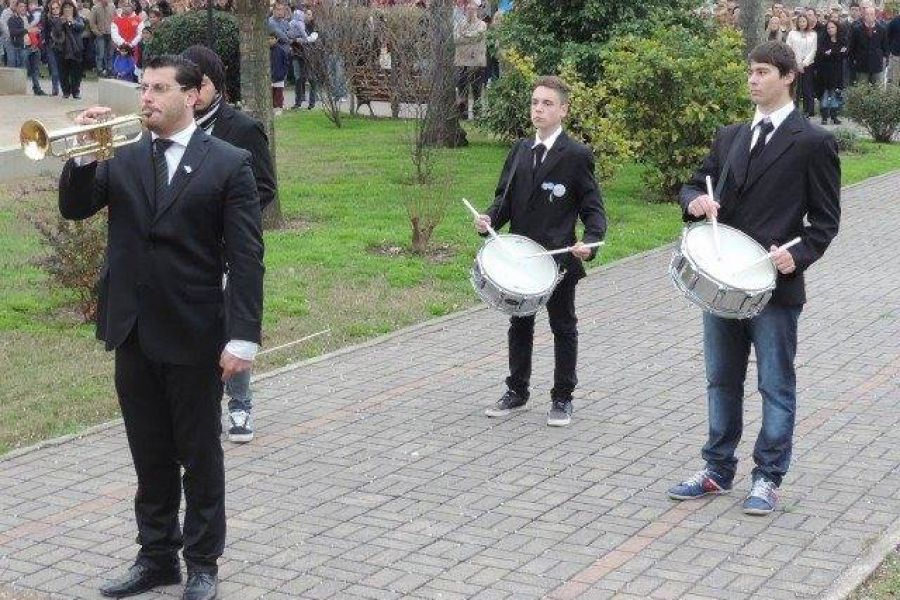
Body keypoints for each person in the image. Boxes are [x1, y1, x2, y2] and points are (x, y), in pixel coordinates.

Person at [58, 54, 264, 600]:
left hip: (195, 332)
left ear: (191, 96)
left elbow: (246, 259)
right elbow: (76, 208)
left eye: (157, 89)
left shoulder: (228, 163)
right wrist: (81, 155)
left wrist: (242, 337)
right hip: (132, 330)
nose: (145, 97)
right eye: (142, 87)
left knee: (198, 453)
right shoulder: (122, 155)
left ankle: (201, 560)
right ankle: (156, 557)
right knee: (148, 453)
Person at [668, 41, 840, 516]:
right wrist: (694, 203)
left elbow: (825, 222)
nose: (752, 79)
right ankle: (716, 470)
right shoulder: (730, 136)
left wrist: (797, 255)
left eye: (762, 71)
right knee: (720, 380)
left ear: (788, 76)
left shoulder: (813, 142)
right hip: (721, 283)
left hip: (774, 288)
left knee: (775, 386)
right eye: (750, 71)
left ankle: (767, 477)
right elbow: (690, 185)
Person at [473, 75, 607, 427]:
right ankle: (516, 390)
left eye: (547, 103)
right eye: (535, 102)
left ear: (563, 109)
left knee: (563, 326)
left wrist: (590, 244)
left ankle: (563, 397)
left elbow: (593, 209)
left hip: (558, 260)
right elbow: (504, 200)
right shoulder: (520, 151)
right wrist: (490, 218)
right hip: (520, 259)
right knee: (520, 323)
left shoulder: (576, 156)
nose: (539, 109)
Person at [182, 44, 276, 443]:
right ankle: (196, 404)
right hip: (187, 248)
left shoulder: (243, 129)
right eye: (185, 85)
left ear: (215, 85)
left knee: (232, 323)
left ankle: (240, 406)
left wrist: (226, 214)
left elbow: (265, 188)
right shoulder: (177, 128)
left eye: (198, 85)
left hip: (227, 245)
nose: (192, 94)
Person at [48, 0, 84, 98]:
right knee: (63, 72)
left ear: (73, 9)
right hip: (61, 49)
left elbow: (81, 27)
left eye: (70, 7)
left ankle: (75, 91)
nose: (67, 9)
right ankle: (66, 92)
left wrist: (71, 21)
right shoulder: (58, 20)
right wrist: (61, 22)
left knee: (76, 72)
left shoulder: (78, 18)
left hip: (75, 49)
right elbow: (55, 33)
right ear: (62, 9)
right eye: (65, 7)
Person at [817, 19, 847, 124]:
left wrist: (832, 53)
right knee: (825, 94)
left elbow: (843, 54)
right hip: (825, 71)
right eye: (828, 28)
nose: (830, 29)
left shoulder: (842, 40)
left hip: (837, 71)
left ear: (837, 28)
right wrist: (835, 53)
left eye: (832, 27)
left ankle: (834, 116)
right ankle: (824, 117)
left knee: (835, 94)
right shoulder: (823, 41)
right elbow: (822, 54)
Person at [786, 14, 817, 117]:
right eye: (800, 21)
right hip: (795, 65)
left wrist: (804, 63)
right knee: (796, 89)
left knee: (807, 88)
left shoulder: (813, 34)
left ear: (807, 22)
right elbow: (789, 49)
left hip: (808, 65)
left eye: (804, 21)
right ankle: (794, 111)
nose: (802, 23)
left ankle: (808, 110)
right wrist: (798, 64)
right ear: (797, 23)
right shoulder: (792, 34)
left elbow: (813, 50)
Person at [849, 5, 889, 85]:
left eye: (871, 14)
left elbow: (885, 47)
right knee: (862, 91)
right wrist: (854, 61)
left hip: (877, 65)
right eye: (867, 14)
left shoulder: (882, 29)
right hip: (862, 66)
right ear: (864, 16)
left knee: (878, 91)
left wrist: (884, 59)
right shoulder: (857, 30)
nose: (869, 16)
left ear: (875, 16)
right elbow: (852, 48)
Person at [89, 0, 113, 76]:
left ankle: (109, 69)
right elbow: (92, 23)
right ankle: (99, 70)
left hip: (110, 34)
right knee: (100, 53)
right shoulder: (95, 8)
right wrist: (97, 33)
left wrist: (113, 32)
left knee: (110, 53)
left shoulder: (112, 7)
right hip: (100, 34)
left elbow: (115, 20)